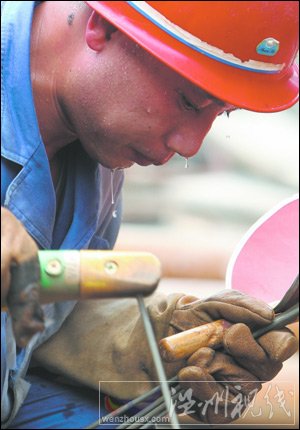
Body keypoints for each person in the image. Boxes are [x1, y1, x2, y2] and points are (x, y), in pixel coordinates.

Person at [1, 1, 298, 427]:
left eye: (222, 112)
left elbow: (34, 324)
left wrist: (147, 342)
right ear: (103, 27)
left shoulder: (97, 152)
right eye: (188, 101)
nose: (191, 145)